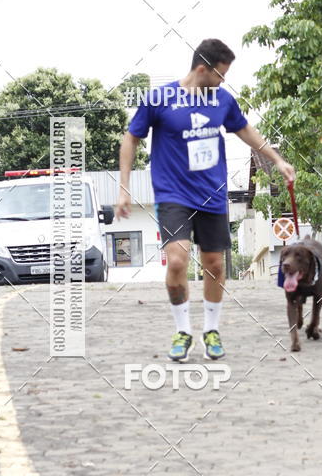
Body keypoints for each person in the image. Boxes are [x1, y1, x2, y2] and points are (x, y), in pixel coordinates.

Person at [115, 38, 295, 362]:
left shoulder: (222, 101)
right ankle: (182, 331)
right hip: (173, 195)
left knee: (214, 265)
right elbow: (131, 138)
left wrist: (277, 159)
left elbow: (246, 131)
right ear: (203, 69)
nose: (224, 81)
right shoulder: (161, 98)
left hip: (212, 195)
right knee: (177, 261)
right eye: (221, 74)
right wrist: (124, 187)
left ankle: (211, 330)